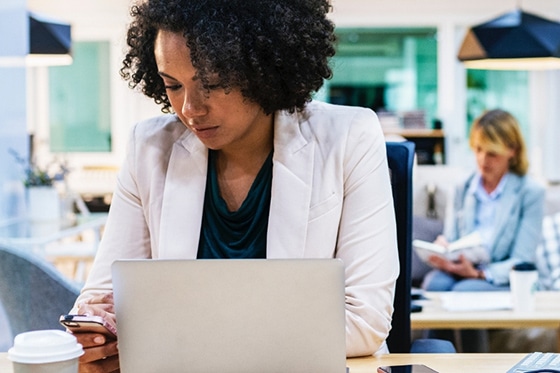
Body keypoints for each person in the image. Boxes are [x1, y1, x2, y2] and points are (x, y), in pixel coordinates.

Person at [68, 0, 399, 371]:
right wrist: (97, 335)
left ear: (264, 68)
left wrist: (159, 337)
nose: (190, 108)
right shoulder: (148, 148)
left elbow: (364, 322)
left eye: (213, 83)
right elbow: (100, 300)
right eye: (173, 85)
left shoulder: (349, 136)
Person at [422, 109, 545, 291]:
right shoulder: (461, 187)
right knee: (434, 284)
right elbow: (452, 238)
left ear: (513, 150)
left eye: (492, 154)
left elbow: (522, 260)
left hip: (502, 277)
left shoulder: (530, 192)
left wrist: (478, 274)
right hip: (462, 269)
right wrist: (444, 250)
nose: (482, 159)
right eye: (478, 149)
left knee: (466, 289)